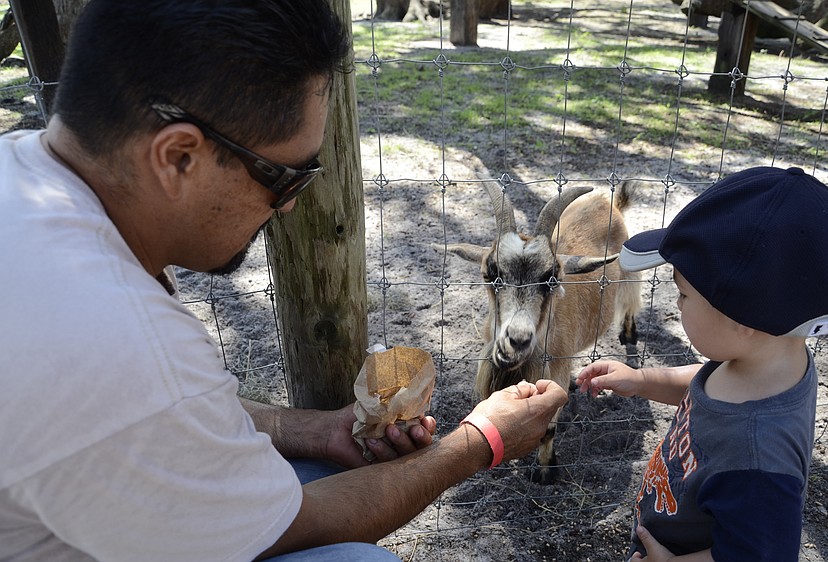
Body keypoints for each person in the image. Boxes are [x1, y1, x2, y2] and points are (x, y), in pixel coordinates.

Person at [0, 1, 569, 561]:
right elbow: (294, 527)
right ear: (177, 158)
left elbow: (161, 417)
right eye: (286, 179)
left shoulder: (21, 173)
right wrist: (479, 442)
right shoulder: (124, 345)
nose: (291, 209)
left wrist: (316, 432)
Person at [576, 166, 828, 561]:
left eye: (683, 294)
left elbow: (760, 555)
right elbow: (709, 388)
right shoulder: (771, 360)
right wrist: (642, 379)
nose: (677, 303)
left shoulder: (758, 460)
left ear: (741, 319)